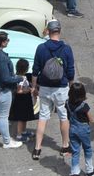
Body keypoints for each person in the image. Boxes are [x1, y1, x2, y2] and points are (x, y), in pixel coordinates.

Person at [32, 19, 75, 158]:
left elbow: (35, 70)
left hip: (44, 87)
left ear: (48, 32)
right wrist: (71, 85)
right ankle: (64, 146)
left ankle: (37, 149)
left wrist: (34, 87)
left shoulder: (41, 48)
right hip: (61, 88)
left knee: (43, 116)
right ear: (59, 31)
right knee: (63, 116)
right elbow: (70, 71)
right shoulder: (66, 49)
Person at [67, 82, 94, 176]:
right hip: (83, 130)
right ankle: (89, 170)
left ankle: (74, 172)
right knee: (87, 148)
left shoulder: (67, 103)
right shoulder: (84, 106)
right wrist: (91, 122)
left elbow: (68, 117)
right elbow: (91, 119)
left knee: (75, 151)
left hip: (72, 129)